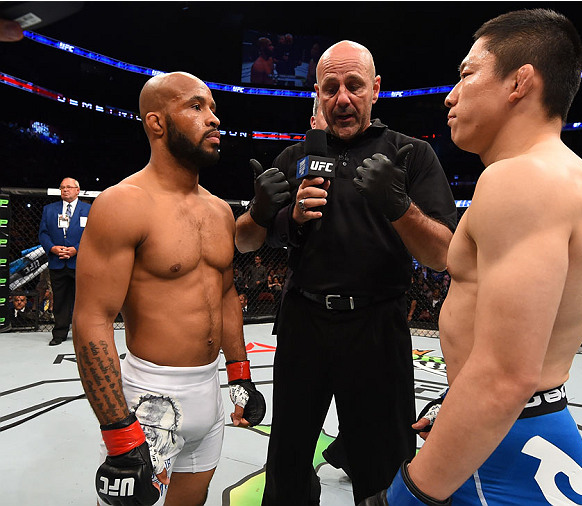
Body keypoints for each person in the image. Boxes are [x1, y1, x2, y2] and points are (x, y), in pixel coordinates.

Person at [361, 9, 582, 506]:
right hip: (528, 428)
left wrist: (411, 495)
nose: (451, 96)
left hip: (500, 450)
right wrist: (459, 404)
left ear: (519, 83)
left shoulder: (519, 179)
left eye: (467, 74)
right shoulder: (576, 176)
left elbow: (505, 374)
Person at [237, 40, 457, 504]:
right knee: (288, 459)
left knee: (384, 466)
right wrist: (272, 214)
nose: (342, 98)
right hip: (304, 322)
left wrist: (399, 206)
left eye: (354, 86)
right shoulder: (294, 158)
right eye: (330, 87)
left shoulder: (410, 155)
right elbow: (246, 241)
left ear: (375, 89)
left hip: (377, 326)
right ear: (316, 93)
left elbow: (443, 255)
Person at [72, 71, 264, 506]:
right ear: (157, 123)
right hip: (147, 400)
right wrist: (118, 429)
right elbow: (92, 318)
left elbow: (226, 294)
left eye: (213, 107)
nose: (213, 118)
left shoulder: (218, 210)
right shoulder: (123, 204)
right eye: (196, 107)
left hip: (209, 394)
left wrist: (240, 376)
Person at [38, 177, 91, 345]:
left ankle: (81, 333)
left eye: (69, 187)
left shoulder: (89, 209)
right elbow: (43, 233)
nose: (65, 190)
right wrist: (53, 248)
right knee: (60, 299)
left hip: (80, 262)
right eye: (62, 187)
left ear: (78, 190)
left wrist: (76, 249)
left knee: (82, 300)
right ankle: (59, 333)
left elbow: (92, 234)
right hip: (57, 261)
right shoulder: (49, 210)